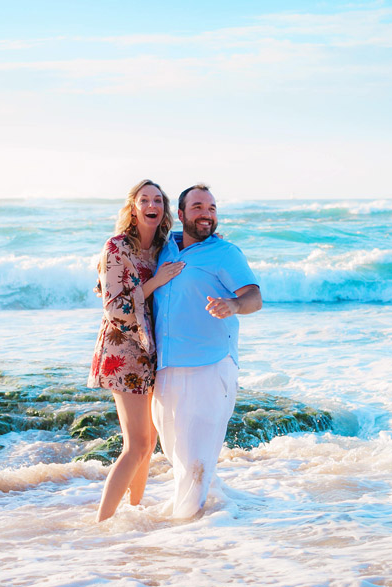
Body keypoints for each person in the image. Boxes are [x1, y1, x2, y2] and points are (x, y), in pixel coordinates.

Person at [151, 184, 262, 518]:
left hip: (210, 364)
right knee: (176, 452)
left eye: (212, 208)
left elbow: (254, 298)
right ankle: (217, 515)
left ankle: (188, 534)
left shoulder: (225, 253)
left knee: (195, 456)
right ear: (181, 214)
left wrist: (233, 304)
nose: (207, 214)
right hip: (167, 364)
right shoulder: (164, 247)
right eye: (198, 207)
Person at [88, 179, 185, 522]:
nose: (151, 204)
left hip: (155, 351)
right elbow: (114, 307)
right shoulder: (116, 248)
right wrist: (157, 282)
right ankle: (102, 522)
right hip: (124, 351)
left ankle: (133, 512)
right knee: (137, 444)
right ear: (133, 208)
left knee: (150, 441)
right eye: (144, 199)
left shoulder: (164, 248)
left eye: (157, 199)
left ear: (164, 209)